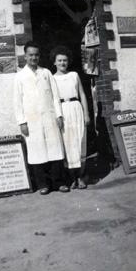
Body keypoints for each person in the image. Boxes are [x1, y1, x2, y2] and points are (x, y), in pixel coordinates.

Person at [13, 41, 69, 195]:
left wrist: (58, 115)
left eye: (36, 55)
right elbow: (17, 102)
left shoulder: (46, 73)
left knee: (54, 150)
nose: (34, 57)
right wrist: (22, 122)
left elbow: (55, 96)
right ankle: (43, 184)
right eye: (31, 55)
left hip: (49, 117)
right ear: (25, 56)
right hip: (32, 120)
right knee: (37, 151)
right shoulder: (20, 77)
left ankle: (59, 183)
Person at [51, 46, 90, 189]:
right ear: (54, 62)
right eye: (59, 60)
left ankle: (81, 177)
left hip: (76, 108)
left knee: (80, 141)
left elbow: (83, 95)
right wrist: (57, 116)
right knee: (67, 144)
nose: (62, 63)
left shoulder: (74, 75)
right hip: (63, 111)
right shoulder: (52, 78)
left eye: (65, 60)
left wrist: (86, 113)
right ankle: (72, 178)